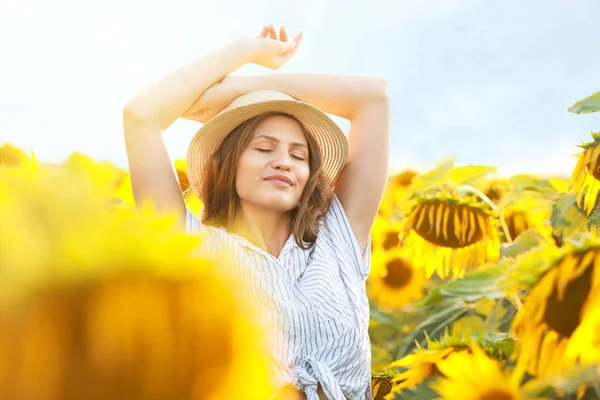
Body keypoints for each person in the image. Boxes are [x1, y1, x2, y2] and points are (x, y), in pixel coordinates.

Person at [123, 24, 389, 400]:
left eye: (298, 155)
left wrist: (241, 89)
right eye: (264, 148)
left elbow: (373, 97)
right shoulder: (189, 249)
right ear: (227, 164)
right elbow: (140, 116)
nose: (283, 162)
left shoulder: (338, 240)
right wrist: (243, 49)